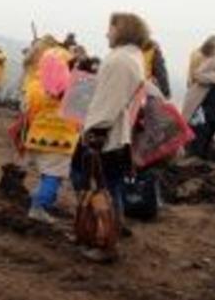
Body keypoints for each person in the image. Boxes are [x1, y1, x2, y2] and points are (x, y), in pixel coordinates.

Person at [82, 13, 151, 261]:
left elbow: (109, 101)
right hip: (116, 134)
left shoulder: (121, 60)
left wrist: (96, 131)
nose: (106, 33)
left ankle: (107, 244)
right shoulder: (131, 57)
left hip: (108, 137)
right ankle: (105, 234)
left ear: (122, 30)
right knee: (109, 189)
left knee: (106, 193)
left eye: (110, 29)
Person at [21, 39, 79, 223]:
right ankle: (38, 206)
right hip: (61, 140)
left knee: (46, 174)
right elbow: (81, 117)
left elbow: (30, 111)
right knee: (54, 175)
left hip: (37, 137)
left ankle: (39, 197)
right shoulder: (75, 90)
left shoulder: (36, 86)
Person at [182, 51, 215, 160]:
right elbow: (197, 75)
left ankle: (200, 162)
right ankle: (192, 159)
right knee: (198, 133)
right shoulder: (213, 62)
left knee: (210, 136)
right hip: (200, 106)